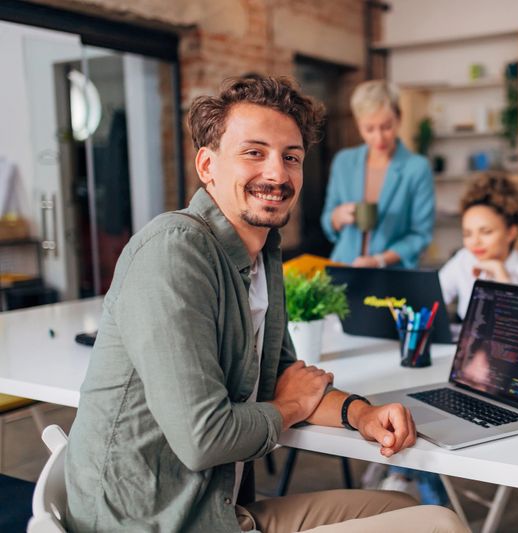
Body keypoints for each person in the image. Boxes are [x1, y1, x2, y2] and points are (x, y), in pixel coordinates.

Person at [64, 75, 466, 533]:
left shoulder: (263, 252)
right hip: (159, 521)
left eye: (290, 157)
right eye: (254, 152)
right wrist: (290, 407)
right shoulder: (174, 252)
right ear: (207, 165)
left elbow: (285, 381)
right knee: (438, 527)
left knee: (403, 505)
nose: (276, 174)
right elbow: (205, 438)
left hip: (219, 508)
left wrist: (362, 414)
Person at [321, 80, 434, 268]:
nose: (379, 137)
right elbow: (327, 221)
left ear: (399, 118)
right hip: (344, 268)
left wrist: (379, 261)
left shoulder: (417, 168)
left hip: (392, 274)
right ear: (358, 124)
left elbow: (420, 235)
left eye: (386, 127)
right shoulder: (344, 162)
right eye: (369, 129)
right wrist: (336, 217)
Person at [440, 173, 518, 320]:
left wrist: (500, 272)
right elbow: (435, 298)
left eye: (486, 232)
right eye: (467, 234)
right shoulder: (463, 258)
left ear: (511, 232)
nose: (475, 241)